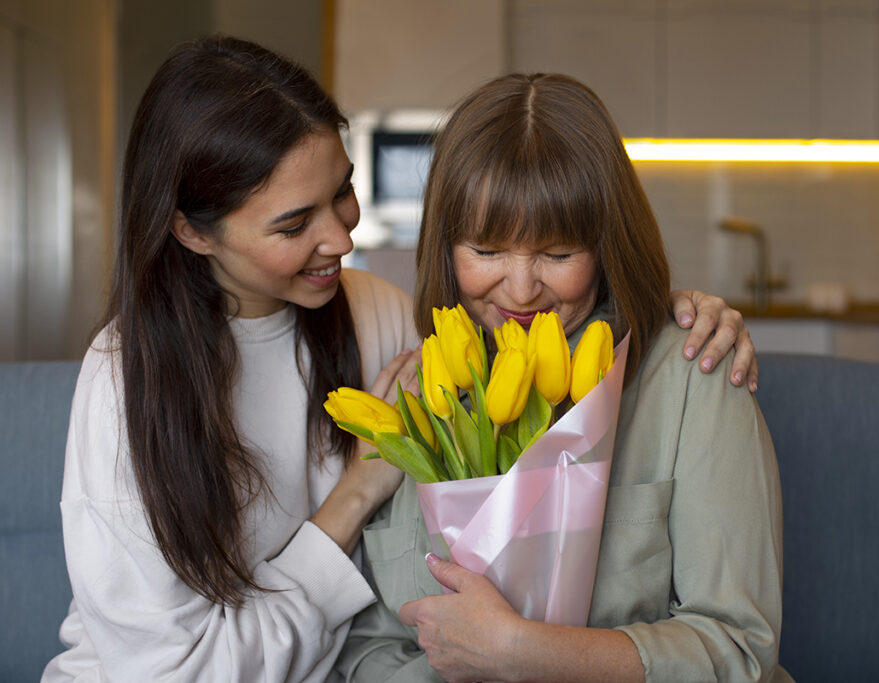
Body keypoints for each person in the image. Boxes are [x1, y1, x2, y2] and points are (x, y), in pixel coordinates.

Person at [43, 38, 758, 681]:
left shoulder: (380, 323)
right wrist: (358, 490)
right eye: (295, 223)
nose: (340, 238)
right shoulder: (124, 384)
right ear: (193, 234)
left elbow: (735, 640)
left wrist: (670, 305)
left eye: (342, 194)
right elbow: (365, 642)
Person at [337, 73, 791, 683]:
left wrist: (522, 653)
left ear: (607, 246)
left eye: (557, 255)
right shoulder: (419, 399)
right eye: (486, 251)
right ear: (445, 248)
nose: (522, 290)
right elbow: (367, 647)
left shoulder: (692, 373)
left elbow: (739, 651)